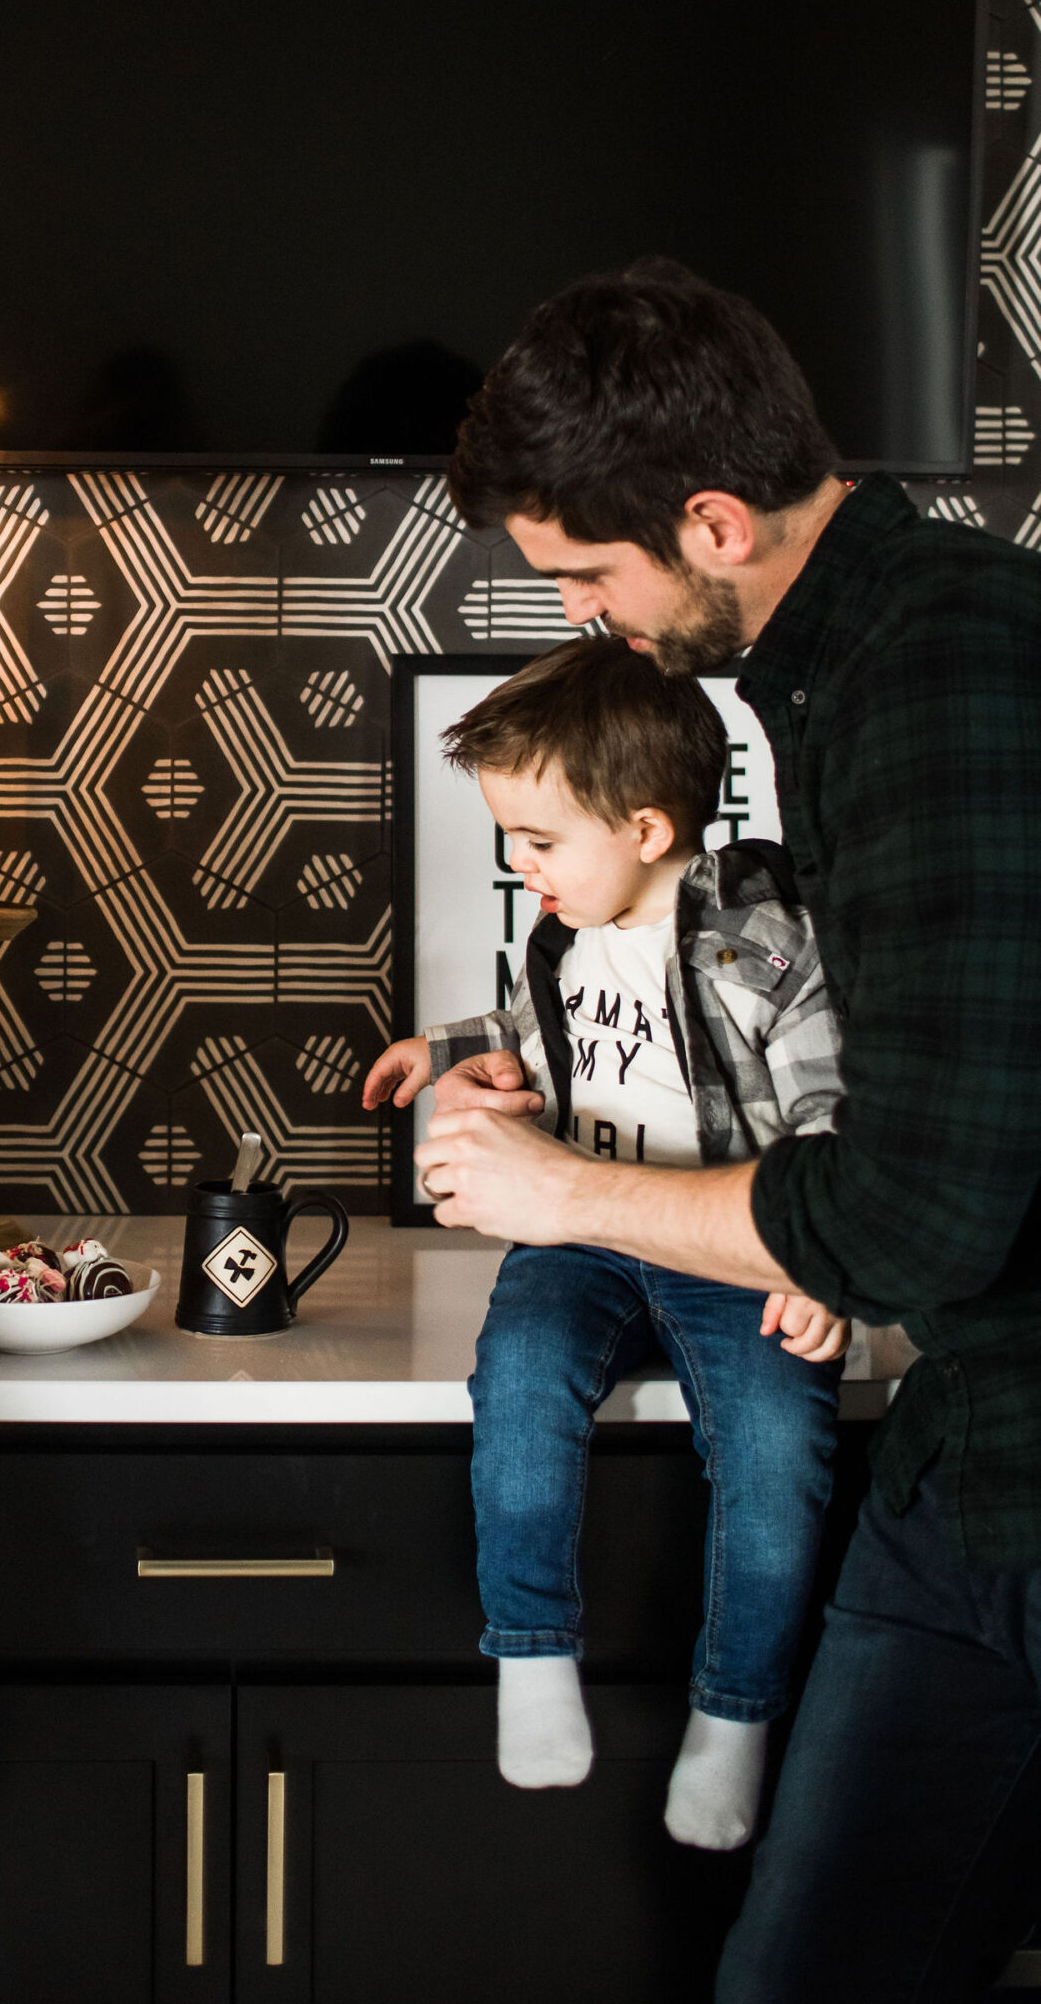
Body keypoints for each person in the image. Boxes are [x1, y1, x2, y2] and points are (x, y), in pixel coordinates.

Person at [418, 259, 1041, 2003]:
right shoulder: (845, 676)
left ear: (710, 523)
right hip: (967, 1470)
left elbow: (914, 1218)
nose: (586, 622)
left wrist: (567, 1194)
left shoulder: (945, 665)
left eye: (587, 579)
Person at [366, 637, 846, 1850]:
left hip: (734, 1245)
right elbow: (531, 1018)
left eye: (538, 842)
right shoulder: (564, 932)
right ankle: (531, 1650)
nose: (521, 870)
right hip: (583, 1236)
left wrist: (819, 1262)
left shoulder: (751, 939)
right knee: (518, 1379)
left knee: (778, 1448)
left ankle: (733, 1713)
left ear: (643, 828)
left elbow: (827, 1109)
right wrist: (445, 1046)